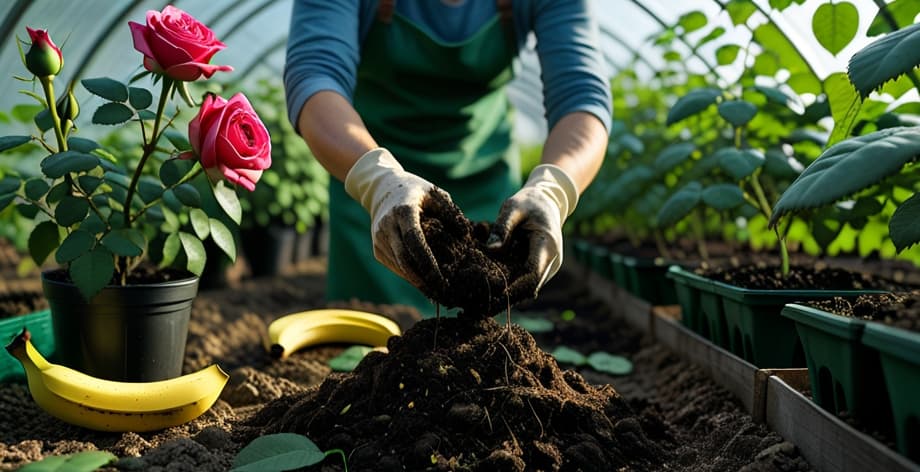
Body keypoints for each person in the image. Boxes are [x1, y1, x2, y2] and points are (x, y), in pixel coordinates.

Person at [284, 0, 611, 316]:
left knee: (480, 350)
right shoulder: (376, 184)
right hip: (368, 178)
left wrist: (552, 190)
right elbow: (315, 76)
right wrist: (377, 181)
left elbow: (581, 94)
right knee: (367, 345)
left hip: (487, 185)